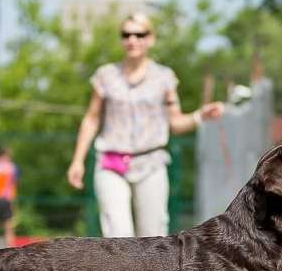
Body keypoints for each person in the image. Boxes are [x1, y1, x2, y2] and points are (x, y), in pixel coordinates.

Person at [67, 12, 224, 238]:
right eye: (126, 34)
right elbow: (92, 118)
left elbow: (176, 123)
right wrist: (77, 161)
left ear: (151, 39)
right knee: (117, 237)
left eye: (139, 34)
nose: (132, 40)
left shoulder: (164, 77)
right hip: (111, 162)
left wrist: (200, 116)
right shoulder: (105, 76)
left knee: (153, 239)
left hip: (151, 162)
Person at [0, 147, 18, 247]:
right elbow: (12, 187)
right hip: (5, 200)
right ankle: (12, 250)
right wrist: (13, 204)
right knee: (8, 229)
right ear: (6, 155)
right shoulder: (11, 167)